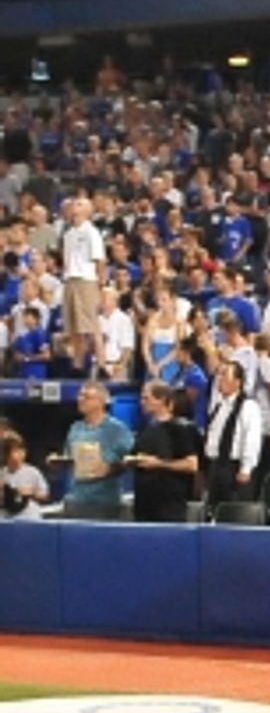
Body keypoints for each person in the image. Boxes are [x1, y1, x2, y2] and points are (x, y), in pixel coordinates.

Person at [130, 381, 201, 522]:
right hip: (143, 505)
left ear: (161, 400)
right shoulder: (145, 429)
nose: (142, 402)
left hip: (169, 506)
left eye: (146, 398)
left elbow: (191, 465)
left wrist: (159, 464)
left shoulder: (182, 429)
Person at [59, 380, 132, 515]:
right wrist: (58, 462)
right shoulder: (75, 428)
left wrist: (110, 468)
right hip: (76, 499)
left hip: (104, 502)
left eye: (86, 397)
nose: (80, 400)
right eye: (79, 395)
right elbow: (69, 458)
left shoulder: (116, 429)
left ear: (101, 401)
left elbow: (132, 460)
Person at [202, 356, 263, 512]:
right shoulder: (219, 406)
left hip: (234, 468)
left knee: (233, 511)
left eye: (224, 375)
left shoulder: (248, 406)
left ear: (237, 382)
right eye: (219, 375)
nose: (219, 379)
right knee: (213, 511)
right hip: (216, 466)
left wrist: (246, 469)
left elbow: (252, 439)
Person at [60, 193, 106, 376]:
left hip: (86, 280)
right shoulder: (68, 234)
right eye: (73, 204)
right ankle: (77, 364)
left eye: (79, 204)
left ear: (87, 211)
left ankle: (101, 364)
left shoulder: (91, 232)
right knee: (74, 327)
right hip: (70, 279)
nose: (74, 207)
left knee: (91, 325)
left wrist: (100, 286)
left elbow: (99, 260)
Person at [2, 430, 49, 518]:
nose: (20, 454)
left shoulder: (33, 472)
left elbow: (44, 496)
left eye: (22, 450)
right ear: (6, 454)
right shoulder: (2, 474)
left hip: (29, 516)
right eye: (15, 450)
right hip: (6, 517)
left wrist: (31, 493)